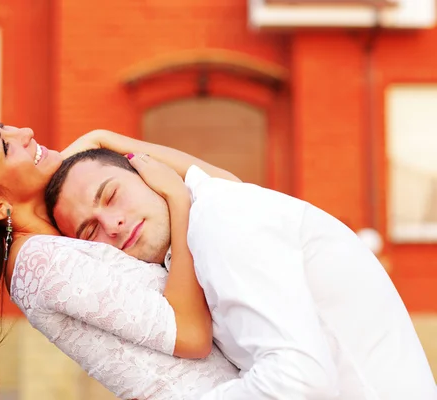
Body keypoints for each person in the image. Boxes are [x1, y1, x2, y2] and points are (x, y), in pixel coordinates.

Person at [0, 113, 243, 400]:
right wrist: (177, 199)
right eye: (5, 145)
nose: (26, 132)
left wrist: (105, 140)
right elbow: (191, 336)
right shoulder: (42, 264)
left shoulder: (73, 223)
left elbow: (227, 191)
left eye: (4, 126)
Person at [47, 147, 437, 399]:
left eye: (112, 195)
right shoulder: (198, 231)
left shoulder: (221, 221)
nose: (112, 223)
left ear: (148, 174)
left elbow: (299, 380)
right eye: (90, 230)